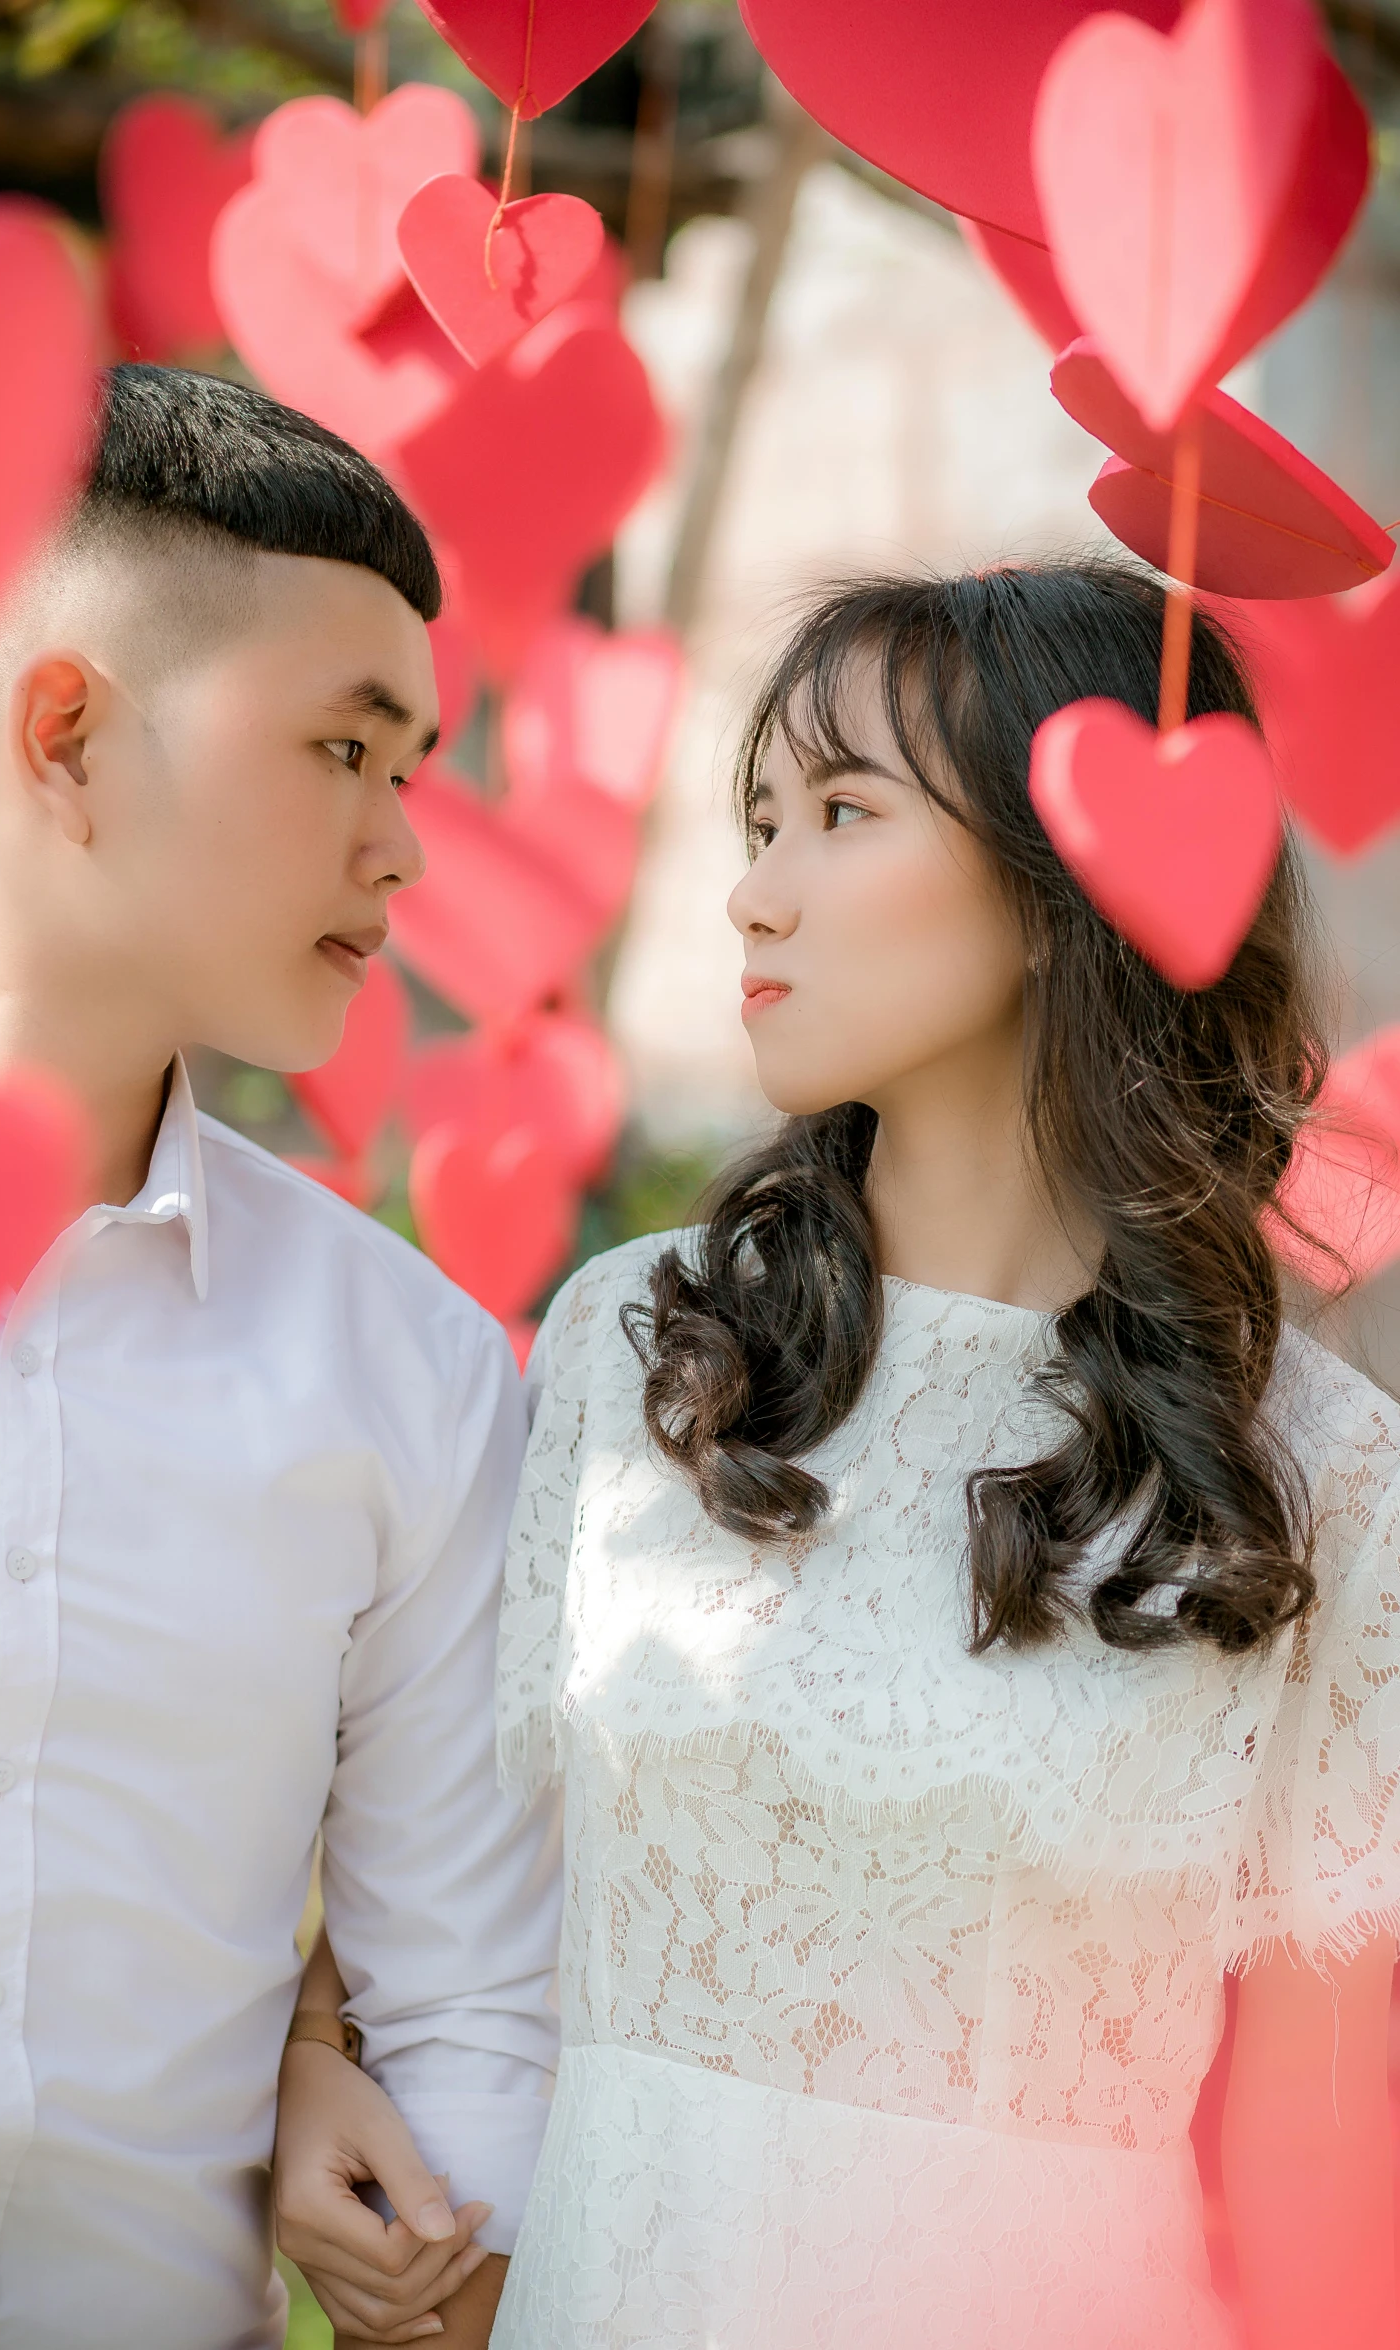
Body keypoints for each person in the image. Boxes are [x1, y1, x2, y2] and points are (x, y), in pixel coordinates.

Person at [477, 562, 1398, 2348]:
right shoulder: (637, 1352)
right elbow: (466, 1952)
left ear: (1067, 889)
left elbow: (1323, 2177)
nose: (753, 892)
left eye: (839, 813)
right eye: (757, 821)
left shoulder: (1323, 1477)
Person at [0, 363, 558, 2350]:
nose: (403, 852)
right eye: (346, 748)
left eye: (416, 771)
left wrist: (415, 2203)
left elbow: (472, 2007)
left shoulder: (409, 1366)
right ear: (63, 728)